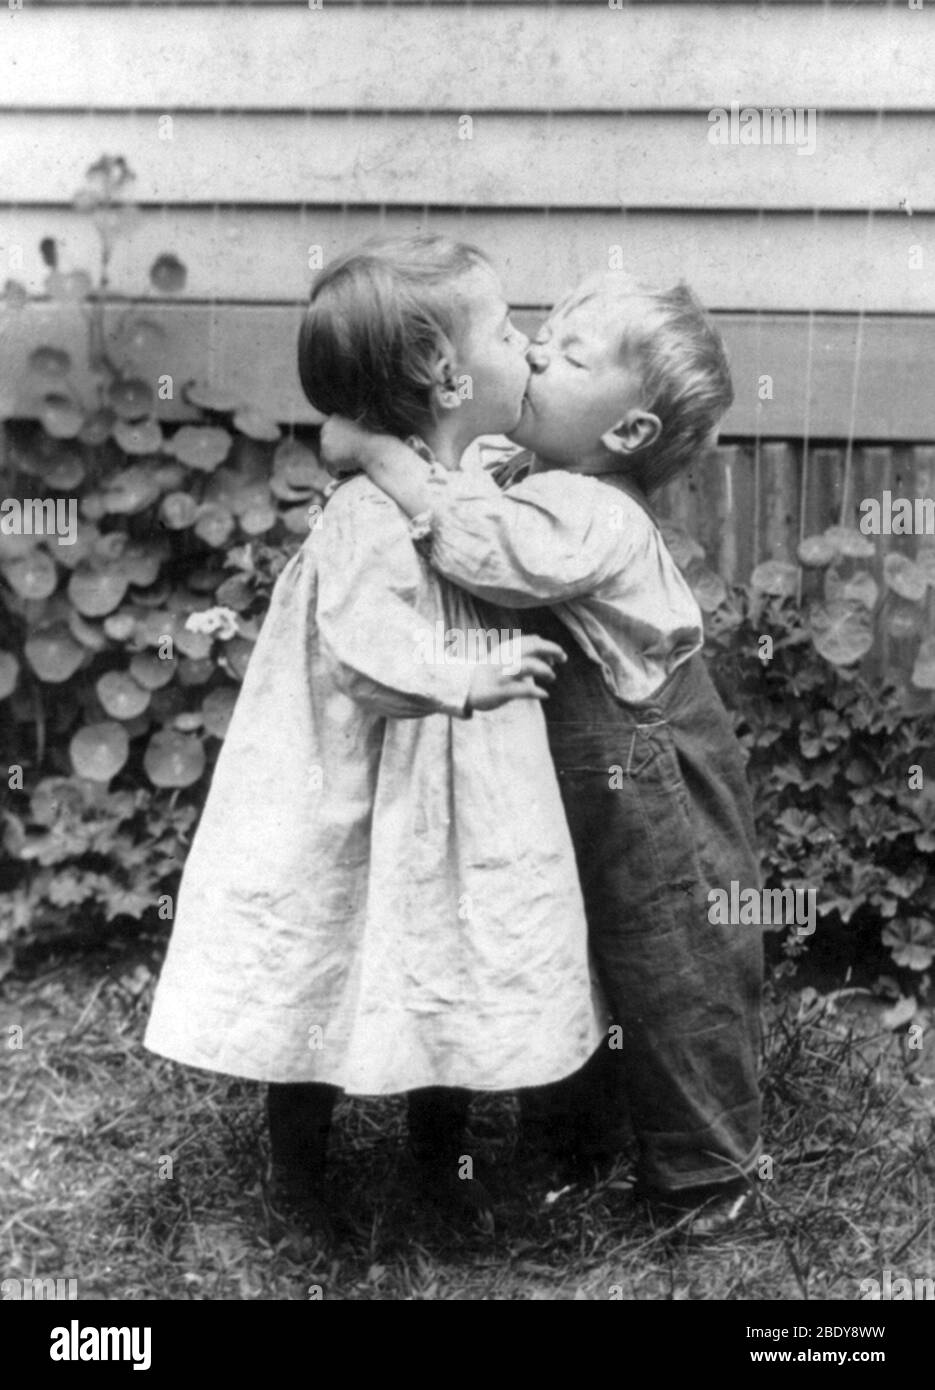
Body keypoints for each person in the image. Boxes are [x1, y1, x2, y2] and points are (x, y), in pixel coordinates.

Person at [143, 237, 604, 1234]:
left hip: (454, 787)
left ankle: (444, 1172)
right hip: (355, 775)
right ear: (445, 373)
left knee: (446, 949)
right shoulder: (363, 516)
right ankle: (301, 1181)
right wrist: (464, 675)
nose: (523, 346)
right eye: (507, 330)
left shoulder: (464, 472)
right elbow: (362, 648)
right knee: (324, 948)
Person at [321, 271, 764, 1238]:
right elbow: (473, 476)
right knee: (578, 944)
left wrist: (380, 457)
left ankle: (707, 1170)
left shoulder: (597, 512)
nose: (531, 354)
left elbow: (480, 549)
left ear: (629, 435)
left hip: (652, 769)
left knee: (670, 957)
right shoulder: (530, 472)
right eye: (538, 335)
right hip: (584, 765)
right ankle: (582, 1137)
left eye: (566, 356)